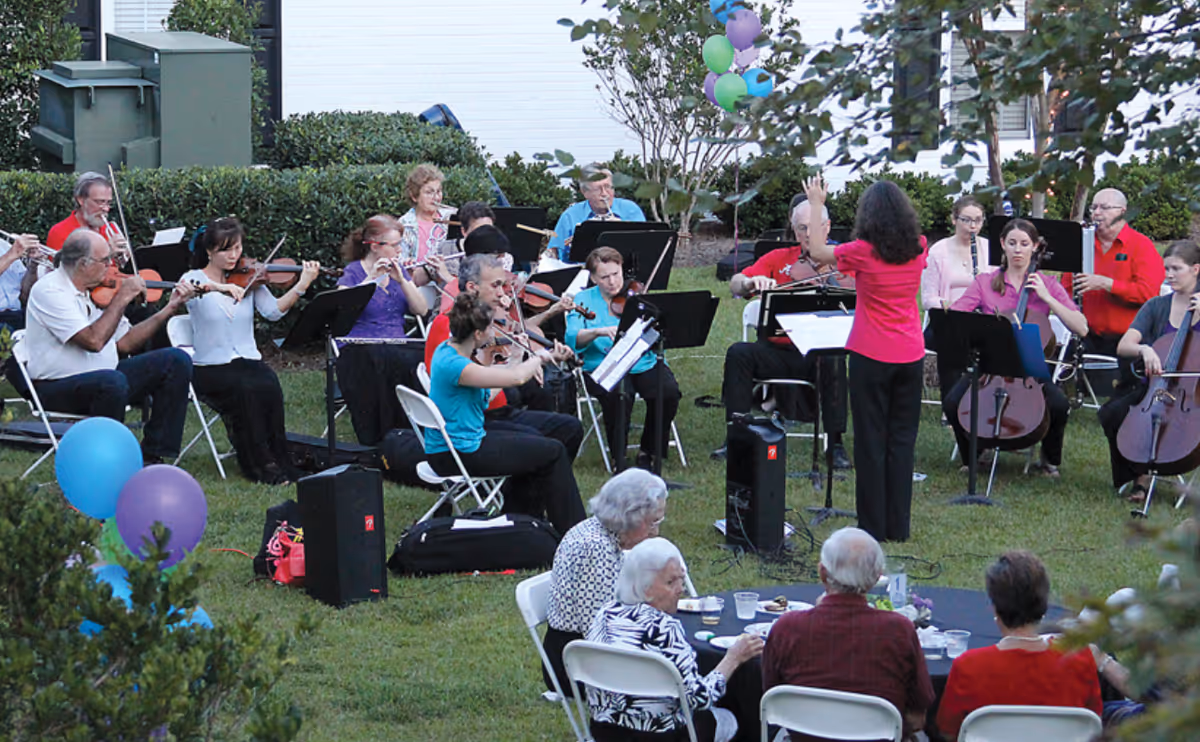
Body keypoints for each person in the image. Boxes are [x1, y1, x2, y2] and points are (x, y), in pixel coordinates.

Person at [801, 176, 927, 543]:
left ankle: (872, 527)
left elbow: (817, 251)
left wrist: (815, 203)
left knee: (870, 441)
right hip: (910, 354)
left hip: (871, 354)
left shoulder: (861, 251)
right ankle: (898, 527)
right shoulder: (919, 246)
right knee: (902, 441)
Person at [21, 229, 195, 464]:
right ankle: (107, 459)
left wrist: (169, 308)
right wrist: (122, 298)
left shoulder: (94, 291)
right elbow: (93, 341)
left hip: (104, 378)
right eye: (105, 260)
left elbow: (125, 342)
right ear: (83, 263)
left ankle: (152, 454)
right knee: (111, 382)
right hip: (56, 386)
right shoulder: (51, 291)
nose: (110, 266)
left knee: (175, 360)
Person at [426, 292, 585, 533]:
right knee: (552, 451)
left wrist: (515, 358)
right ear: (478, 334)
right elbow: (518, 377)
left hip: (462, 440)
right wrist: (542, 356)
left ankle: (522, 517)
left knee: (547, 441)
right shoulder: (456, 365)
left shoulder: (448, 350)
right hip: (458, 451)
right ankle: (575, 533)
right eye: (490, 327)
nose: (494, 332)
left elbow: (489, 392)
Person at [942, 218, 1088, 478]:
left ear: (1034, 247)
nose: (1018, 250)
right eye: (1012, 243)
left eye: (1024, 244)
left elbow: (1082, 327)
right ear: (1002, 245)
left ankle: (1049, 460)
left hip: (1030, 369)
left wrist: (1046, 297)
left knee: (1058, 405)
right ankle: (972, 453)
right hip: (989, 366)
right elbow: (956, 318)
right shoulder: (985, 282)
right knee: (953, 402)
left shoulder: (1049, 285)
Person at [181, 217, 320, 484]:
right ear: (209, 251)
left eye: (237, 248)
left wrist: (302, 284)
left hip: (246, 359)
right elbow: (186, 292)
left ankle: (280, 457)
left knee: (268, 382)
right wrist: (222, 287)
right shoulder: (193, 278)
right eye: (226, 249)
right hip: (210, 367)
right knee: (244, 390)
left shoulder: (250, 278)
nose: (234, 256)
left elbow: (273, 312)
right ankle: (259, 464)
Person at [715, 195, 850, 468]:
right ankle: (737, 436)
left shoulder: (843, 261)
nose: (807, 234)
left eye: (814, 227)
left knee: (835, 360)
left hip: (818, 352)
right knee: (739, 353)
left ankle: (835, 443)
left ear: (827, 227)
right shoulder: (779, 258)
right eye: (801, 228)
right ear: (793, 229)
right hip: (777, 349)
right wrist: (750, 281)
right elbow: (736, 283)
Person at [762, 527, 934, 740]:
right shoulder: (899, 630)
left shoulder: (787, 628)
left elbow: (773, 704)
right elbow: (917, 718)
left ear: (822, 573)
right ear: (875, 578)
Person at [586, 537, 762, 742]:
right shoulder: (664, 628)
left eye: (681, 579)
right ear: (645, 588)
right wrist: (733, 658)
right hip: (661, 736)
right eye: (670, 582)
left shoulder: (604, 614)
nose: (681, 589)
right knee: (731, 716)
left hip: (604, 731)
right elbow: (700, 699)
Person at [424, 252, 585, 455]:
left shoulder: (490, 318)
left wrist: (518, 357)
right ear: (472, 288)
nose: (502, 293)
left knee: (565, 423)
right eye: (495, 286)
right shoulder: (448, 327)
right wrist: (527, 363)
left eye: (503, 285)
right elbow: (459, 381)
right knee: (547, 438)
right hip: (477, 419)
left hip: (497, 408)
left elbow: (510, 341)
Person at [936, 551, 1102, 740]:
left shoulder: (969, 666)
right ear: (1044, 605)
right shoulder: (1080, 658)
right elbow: (1092, 723)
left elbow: (949, 733)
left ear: (995, 607)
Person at [542, 468, 669, 697]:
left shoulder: (606, 533)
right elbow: (599, 632)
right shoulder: (595, 548)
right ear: (630, 516)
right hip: (577, 665)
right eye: (652, 522)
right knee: (673, 671)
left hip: (588, 653)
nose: (656, 531)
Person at [1098, 239, 1200, 503]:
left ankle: (1149, 474)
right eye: (1167, 269)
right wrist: (1145, 349)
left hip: (1194, 393)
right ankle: (1136, 473)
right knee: (1112, 413)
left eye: (1176, 269)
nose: (1169, 275)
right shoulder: (1157, 306)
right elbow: (1124, 345)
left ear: (1196, 269)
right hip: (1157, 387)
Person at [568, 247, 682, 471]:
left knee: (667, 392)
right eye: (605, 277)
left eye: (616, 274)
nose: (613, 282)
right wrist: (598, 331)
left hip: (642, 360)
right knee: (620, 395)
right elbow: (573, 337)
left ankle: (648, 451)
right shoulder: (583, 299)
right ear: (593, 278)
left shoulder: (637, 295)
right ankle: (618, 457)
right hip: (601, 364)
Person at [334, 214, 429, 446]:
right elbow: (341, 310)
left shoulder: (399, 271)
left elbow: (422, 310)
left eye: (401, 244)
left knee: (427, 354)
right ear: (375, 246)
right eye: (395, 245)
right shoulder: (354, 272)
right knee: (386, 358)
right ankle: (385, 436)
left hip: (396, 344)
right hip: (360, 347)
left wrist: (403, 281)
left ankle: (422, 430)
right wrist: (373, 278)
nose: (400, 251)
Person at [1060, 187, 1165, 397]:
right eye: (1094, 207)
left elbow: (1149, 294)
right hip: (1088, 334)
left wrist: (1107, 284)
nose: (1097, 213)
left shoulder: (1141, 245)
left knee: (1128, 395)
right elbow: (1065, 290)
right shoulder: (1082, 244)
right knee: (1058, 372)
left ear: (1122, 211)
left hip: (1129, 338)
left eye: (1104, 208)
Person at [921, 195, 993, 398]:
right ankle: (952, 403)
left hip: (981, 319)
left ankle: (987, 401)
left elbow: (999, 289)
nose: (973, 226)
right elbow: (928, 299)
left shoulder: (988, 249)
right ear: (954, 220)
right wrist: (953, 306)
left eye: (978, 220)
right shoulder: (938, 251)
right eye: (966, 220)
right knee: (952, 338)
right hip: (947, 319)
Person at [549, 165, 646, 262]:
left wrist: (621, 228)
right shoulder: (570, 215)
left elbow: (645, 246)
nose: (604, 193)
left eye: (608, 187)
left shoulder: (631, 210)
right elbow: (553, 254)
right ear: (585, 192)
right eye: (597, 189)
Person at [46, 172, 127, 253]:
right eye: (100, 202)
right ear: (81, 200)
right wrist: (107, 252)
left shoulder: (111, 229)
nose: (106, 209)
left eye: (108, 203)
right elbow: (64, 265)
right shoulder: (60, 232)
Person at [0, 232, 39, 331]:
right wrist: (11, 255)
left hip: (18, 315)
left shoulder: (4, 245)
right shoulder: (11, 251)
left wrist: (32, 268)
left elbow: (25, 295)